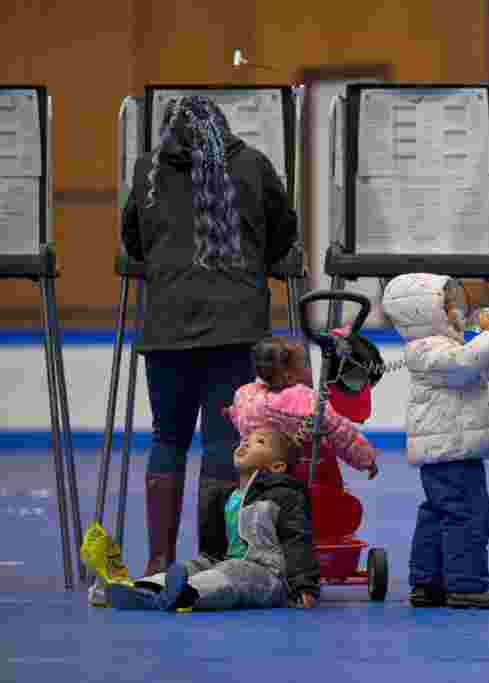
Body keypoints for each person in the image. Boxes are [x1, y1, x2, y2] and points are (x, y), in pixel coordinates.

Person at [120, 95, 298, 578]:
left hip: (166, 327)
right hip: (235, 327)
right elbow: (284, 234)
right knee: (223, 441)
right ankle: (215, 558)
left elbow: (133, 242)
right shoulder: (254, 166)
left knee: (168, 437)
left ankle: (158, 559)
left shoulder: (145, 171)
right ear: (223, 127)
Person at [380, 274, 489, 609]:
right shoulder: (429, 349)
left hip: (447, 446)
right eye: (448, 305)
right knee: (467, 513)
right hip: (452, 448)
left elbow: (476, 372)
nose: (456, 312)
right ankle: (466, 583)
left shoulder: (437, 347)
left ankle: (428, 581)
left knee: (438, 512)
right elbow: (467, 364)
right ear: (425, 313)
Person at [100, 428, 319, 611]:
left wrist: (304, 587)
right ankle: (143, 589)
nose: (246, 444)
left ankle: (186, 593)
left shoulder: (285, 495)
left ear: (277, 467)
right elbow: (216, 548)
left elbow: (297, 541)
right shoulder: (228, 496)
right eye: (246, 439)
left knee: (234, 572)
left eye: (258, 442)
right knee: (195, 565)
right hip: (225, 562)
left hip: (268, 574)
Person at [226, 335, 379, 479]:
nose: (308, 370)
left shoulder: (245, 394)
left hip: (255, 467)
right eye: (305, 365)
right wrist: (366, 460)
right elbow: (342, 433)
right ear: (290, 375)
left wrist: (231, 413)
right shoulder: (305, 401)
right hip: (299, 472)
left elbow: (241, 415)